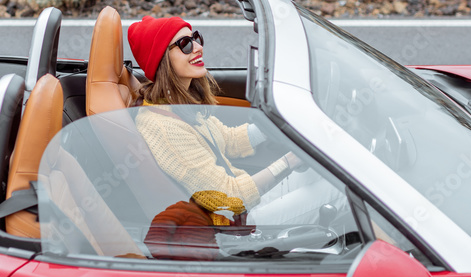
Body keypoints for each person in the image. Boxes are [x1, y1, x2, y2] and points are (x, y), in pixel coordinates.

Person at [128, 15, 337, 225]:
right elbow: (230, 198)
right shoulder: (164, 128)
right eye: (185, 44)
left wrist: (276, 123)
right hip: (236, 224)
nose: (198, 47)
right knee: (341, 190)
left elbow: (227, 139)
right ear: (161, 59)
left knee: (333, 175)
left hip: (246, 203)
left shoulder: (176, 104)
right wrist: (290, 161)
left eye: (197, 38)